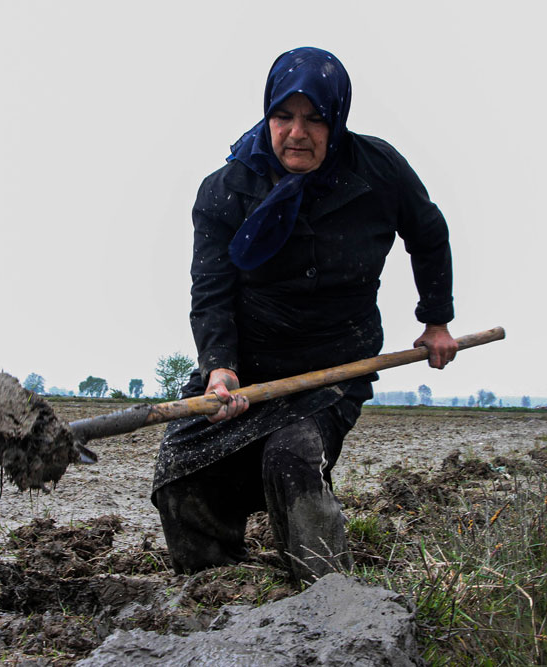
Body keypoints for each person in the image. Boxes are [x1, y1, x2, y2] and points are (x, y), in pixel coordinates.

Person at [151, 47, 457, 583]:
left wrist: (436, 321)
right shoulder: (227, 190)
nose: (298, 133)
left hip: (334, 365)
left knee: (292, 457)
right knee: (181, 470)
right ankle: (214, 586)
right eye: (283, 116)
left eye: (314, 118)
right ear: (266, 115)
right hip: (248, 365)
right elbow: (212, 289)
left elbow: (428, 235)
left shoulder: (378, 170)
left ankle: (327, 594)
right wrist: (220, 366)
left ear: (336, 118)